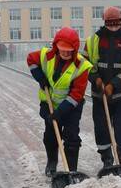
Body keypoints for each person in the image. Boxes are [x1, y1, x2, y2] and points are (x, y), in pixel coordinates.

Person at [27, 27, 92, 176]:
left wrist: (60, 112)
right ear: (56, 46)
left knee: (71, 136)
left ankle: (71, 170)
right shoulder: (46, 55)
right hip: (49, 104)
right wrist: (40, 77)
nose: (65, 53)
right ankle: (52, 163)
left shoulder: (82, 66)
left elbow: (77, 94)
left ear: (75, 49)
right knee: (50, 136)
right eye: (62, 49)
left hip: (71, 108)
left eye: (69, 50)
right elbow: (31, 59)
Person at [82, 6, 121, 168]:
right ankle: (107, 158)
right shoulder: (93, 41)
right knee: (101, 126)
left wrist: (113, 85)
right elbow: (85, 64)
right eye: (110, 23)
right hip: (100, 95)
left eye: (117, 23)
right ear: (104, 22)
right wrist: (97, 80)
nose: (113, 27)